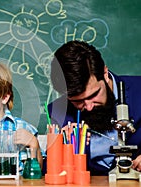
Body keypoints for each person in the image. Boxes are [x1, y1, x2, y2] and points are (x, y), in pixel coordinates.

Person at [49, 40, 141, 175]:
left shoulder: (138, 90)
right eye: (77, 101)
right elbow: (50, 172)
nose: (89, 106)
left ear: (104, 73)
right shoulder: (57, 111)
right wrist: (62, 149)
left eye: (94, 95)